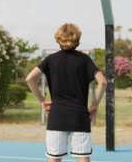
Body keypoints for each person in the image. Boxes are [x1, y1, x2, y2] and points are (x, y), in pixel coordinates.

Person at [26, 23, 107, 162]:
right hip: (79, 116)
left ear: (58, 39)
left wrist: (42, 101)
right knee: (83, 158)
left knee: (54, 158)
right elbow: (103, 82)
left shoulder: (50, 59)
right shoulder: (85, 59)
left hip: (57, 116)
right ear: (77, 39)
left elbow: (30, 78)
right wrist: (94, 105)